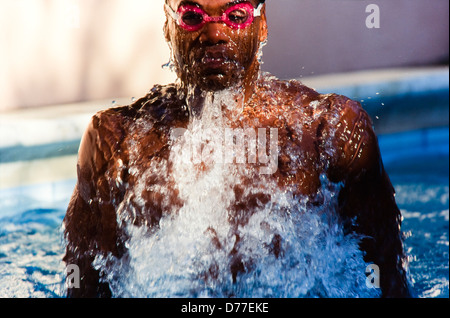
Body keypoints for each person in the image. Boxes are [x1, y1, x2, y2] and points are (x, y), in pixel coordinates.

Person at [63, 0, 412, 297]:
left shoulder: (327, 130)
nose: (215, 34)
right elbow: (86, 286)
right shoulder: (115, 142)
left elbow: (389, 278)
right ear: (168, 26)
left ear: (261, 26)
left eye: (236, 14)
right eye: (192, 16)